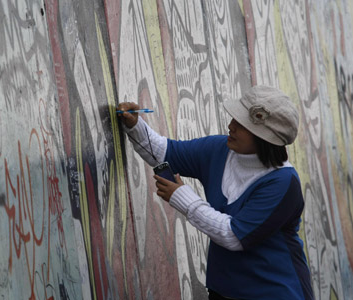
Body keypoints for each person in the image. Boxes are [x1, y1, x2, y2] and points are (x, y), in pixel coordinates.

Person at [117, 85, 314, 300]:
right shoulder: (219, 150)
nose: (231, 126)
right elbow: (165, 153)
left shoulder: (284, 183)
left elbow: (234, 236)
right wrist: (135, 125)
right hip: (223, 291)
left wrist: (183, 198)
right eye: (234, 119)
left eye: (241, 124)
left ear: (264, 138)